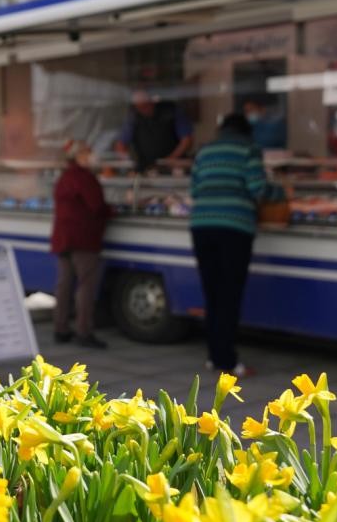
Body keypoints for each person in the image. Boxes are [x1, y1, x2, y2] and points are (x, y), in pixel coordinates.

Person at [189, 113, 284, 375]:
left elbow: (195, 190)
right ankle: (227, 361)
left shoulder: (205, 152)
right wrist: (281, 192)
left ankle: (214, 355)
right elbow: (258, 188)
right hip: (234, 228)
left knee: (212, 292)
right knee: (230, 294)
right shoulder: (248, 150)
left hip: (201, 226)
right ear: (246, 132)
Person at [49, 140, 113, 348]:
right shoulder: (85, 178)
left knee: (64, 285)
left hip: (63, 238)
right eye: (88, 152)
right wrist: (113, 211)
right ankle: (84, 331)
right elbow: (97, 206)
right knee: (86, 286)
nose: (92, 155)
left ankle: (61, 329)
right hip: (83, 238)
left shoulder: (65, 177)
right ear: (79, 156)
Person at [114, 89, 193, 172]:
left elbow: (187, 140)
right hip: (146, 168)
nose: (143, 110)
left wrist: (170, 159)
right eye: (139, 107)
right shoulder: (133, 117)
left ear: (152, 101)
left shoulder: (171, 111)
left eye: (145, 105)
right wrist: (127, 163)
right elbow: (121, 144)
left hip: (175, 166)